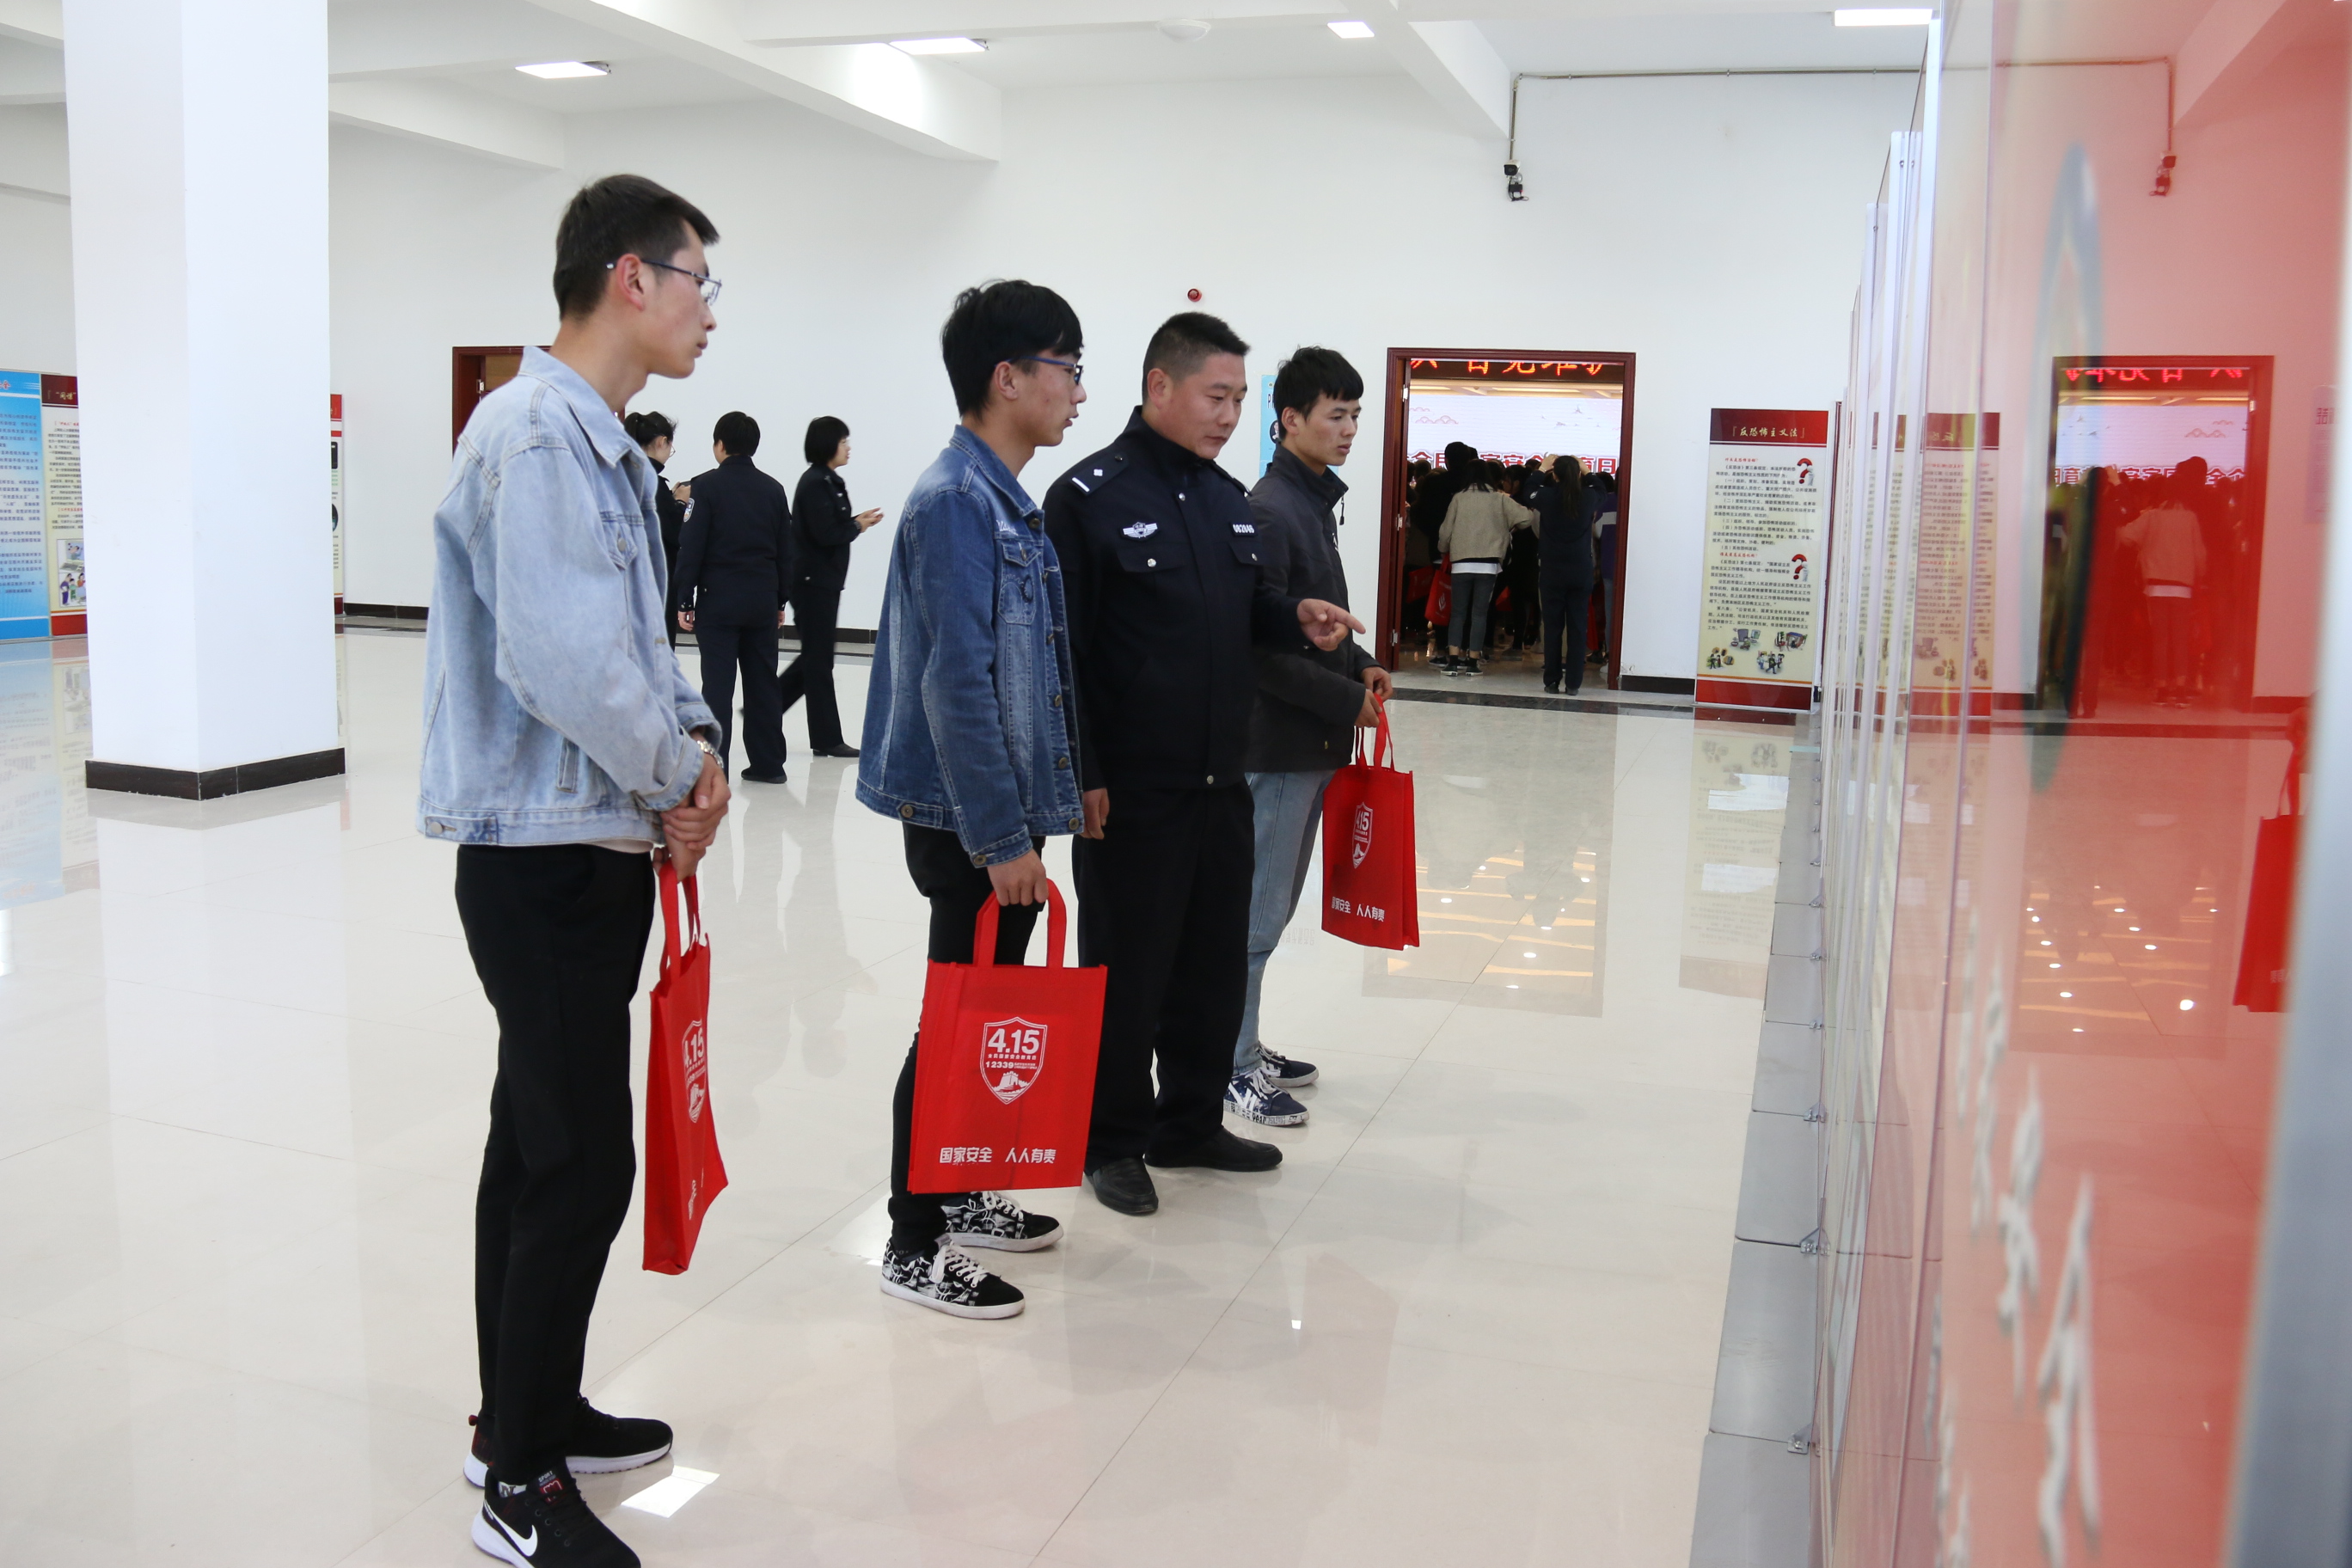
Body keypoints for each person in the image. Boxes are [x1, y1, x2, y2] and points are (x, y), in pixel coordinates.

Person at [419, 173, 731, 1568]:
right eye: (699, 281)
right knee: (580, 1162)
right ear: (631, 277)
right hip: (541, 856)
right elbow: (560, 663)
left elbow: (640, 640)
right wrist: (673, 778)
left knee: (535, 1143)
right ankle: (520, 1483)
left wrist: (696, 746)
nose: (709, 311)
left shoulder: (601, 447)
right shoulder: (538, 435)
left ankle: (525, 1411)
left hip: (586, 844)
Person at [1045, 311, 1362, 1217]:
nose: (1229, 416)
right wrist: (1083, 773)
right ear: (1159, 386)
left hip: (1222, 778)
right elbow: (1062, 654)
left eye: (1237, 400)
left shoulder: (1226, 501)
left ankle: (1188, 1124)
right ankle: (1111, 1142)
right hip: (1131, 788)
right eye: (1215, 397)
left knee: (1211, 965)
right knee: (1126, 972)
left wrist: (1293, 615)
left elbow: (1245, 610)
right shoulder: (1088, 497)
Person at [855, 279, 1089, 1317]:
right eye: (1068, 368)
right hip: (967, 821)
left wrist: (1062, 794)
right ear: (1009, 378)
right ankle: (914, 1240)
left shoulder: (998, 497)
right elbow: (957, 684)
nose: (1078, 390)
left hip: (997, 812)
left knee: (982, 1011)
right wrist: (1001, 837)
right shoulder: (958, 502)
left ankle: (956, 1190)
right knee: (956, 1022)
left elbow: (1029, 673)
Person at [1227, 346, 1389, 1127]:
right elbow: (1259, 649)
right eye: (1336, 414)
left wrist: (1359, 666)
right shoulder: (1272, 508)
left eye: (1355, 414)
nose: (1350, 428)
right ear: (1289, 419)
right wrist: (1343, 700)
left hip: (1309, 740)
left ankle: (1242, 1044)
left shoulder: (1310, 501)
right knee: (1254, 917)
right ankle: (1230, 1065)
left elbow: (1315, 619)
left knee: (1270, 909)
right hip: (1280, 745)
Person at [674, 411, 793, 783]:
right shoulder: (774, 489)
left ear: (720, 445)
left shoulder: (705, 487)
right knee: (763, 685)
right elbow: (785, 551)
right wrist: (780, 601)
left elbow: (691, 546)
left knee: (718, 688)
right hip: (761, 600)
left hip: (719, 601)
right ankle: (769, 765)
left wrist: (684, 599)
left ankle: (715, 766)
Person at [783, 415, 882, 757]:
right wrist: (857, 526)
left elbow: (829, 526)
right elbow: (826, 533)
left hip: (823, 582)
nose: (848, 448)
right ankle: (825, 738)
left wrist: (855, 523)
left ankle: (764, 709)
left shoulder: (827, 481)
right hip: (812, 583)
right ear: (827, 445)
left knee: (816, 658)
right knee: (819, 661)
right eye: (843, 442)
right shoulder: (815, 483)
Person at [2119, 456, 2210, 707]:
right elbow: (2200, 554)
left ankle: (2161, 687)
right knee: (2180, 638)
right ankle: (2179, 686)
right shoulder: (2190, 518)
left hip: (2156, 585)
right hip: (2182, 587)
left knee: (2160, 639)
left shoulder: (2152, 517)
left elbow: (2126, 536)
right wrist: (2200, 576)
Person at [1436, 459, 1534, 675]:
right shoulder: (1500, 499)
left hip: (1461, 563)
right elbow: (1527, 518)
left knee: (1458, 613)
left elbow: (1445, 531)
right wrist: (1509, 528)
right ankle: (1473, 661)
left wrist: (1443, 549)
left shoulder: (1459, 498)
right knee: (1479, 614)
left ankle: (1453, 661)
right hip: (1488, 565)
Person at [1528, 454, 1593, 694]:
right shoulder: (1589, 497)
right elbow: (1599, 486)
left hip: (1552, 570)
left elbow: (1528, 490)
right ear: (1577, 474)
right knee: (1577, 627)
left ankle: (1552, 680)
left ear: (1554, 475)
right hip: (1580, 570)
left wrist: (1541, 468)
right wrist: (1586, 471)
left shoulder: (1546, 496)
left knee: (1553, 627)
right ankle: (1574, 683)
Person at [623, 410, 688, 646]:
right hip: (654, 586)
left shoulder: (623, 475)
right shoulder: (652, 483)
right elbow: (672, 534)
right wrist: (680, 504)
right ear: (662, 442)